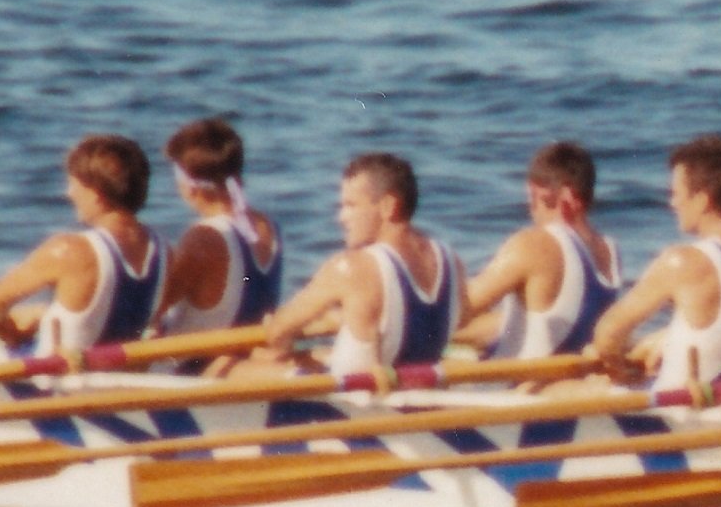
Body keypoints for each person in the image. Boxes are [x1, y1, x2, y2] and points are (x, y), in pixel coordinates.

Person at [582, 136, 721, 388]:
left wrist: (623, 372)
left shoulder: (683, 262)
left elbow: (607, 334)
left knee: (565, 385)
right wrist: (666, 339)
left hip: (681, 412)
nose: (672, 203)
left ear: (702, 200)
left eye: (676, 194)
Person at [239, 153, 461, 378]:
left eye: (351, 205)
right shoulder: (449, 260)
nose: (341, 217)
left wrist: (281, 337)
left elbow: (278, 330)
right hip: (419, 395)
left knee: (225, 367)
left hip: (358, 404)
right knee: (314, 356)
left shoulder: (351, 268)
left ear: (388, 206)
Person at [0, 135, 169, 360]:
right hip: (116, 381)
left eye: (74, 184)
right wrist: (45, 315)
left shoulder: (69, 250)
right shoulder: (164, 252)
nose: (69, 193)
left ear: (97, 194)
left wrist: (13, 333)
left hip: (52, 383)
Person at [458, 141, 625, 360]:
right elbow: (553, 322)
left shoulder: (533, 245)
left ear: (538, 194)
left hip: (517, 386)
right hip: (570, 380)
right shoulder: (610, 251)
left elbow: (454, 312)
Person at [150, 117, 285, 340]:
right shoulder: (268, 226)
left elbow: (152, 308)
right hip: (244, 354)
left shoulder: (204, 237)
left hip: (193, 366)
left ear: (191, 188)